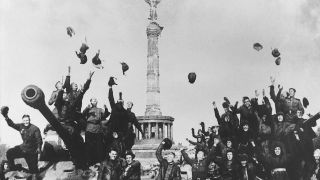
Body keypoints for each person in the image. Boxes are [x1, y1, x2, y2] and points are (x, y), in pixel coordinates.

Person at [1, 108, 42, 174]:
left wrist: (39, 149)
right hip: (23, 148)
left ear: (29, 120)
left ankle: (33, 172)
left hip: (31, 152)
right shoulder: (21, 126)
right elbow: (12, 124)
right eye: (24, 120)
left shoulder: (35, 129)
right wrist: (6, 116)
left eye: (27, 120)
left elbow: (39, 140)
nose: (26, 122)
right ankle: (13, 167)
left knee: (34, 172)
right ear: (22, 121)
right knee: (9, 153)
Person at [82, 97, 110, 166]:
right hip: (89, 128)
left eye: (95, 100)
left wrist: (106, 109)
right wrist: (87, 108)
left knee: (99, 146)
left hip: (98, 129)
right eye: (93, 100)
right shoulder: (88, 109)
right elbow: (83, 114)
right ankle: (89, 161)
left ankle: (100, 161)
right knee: (89, 146)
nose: (95, 101)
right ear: (91, 102)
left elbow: (105, 115)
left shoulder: (100, 109)